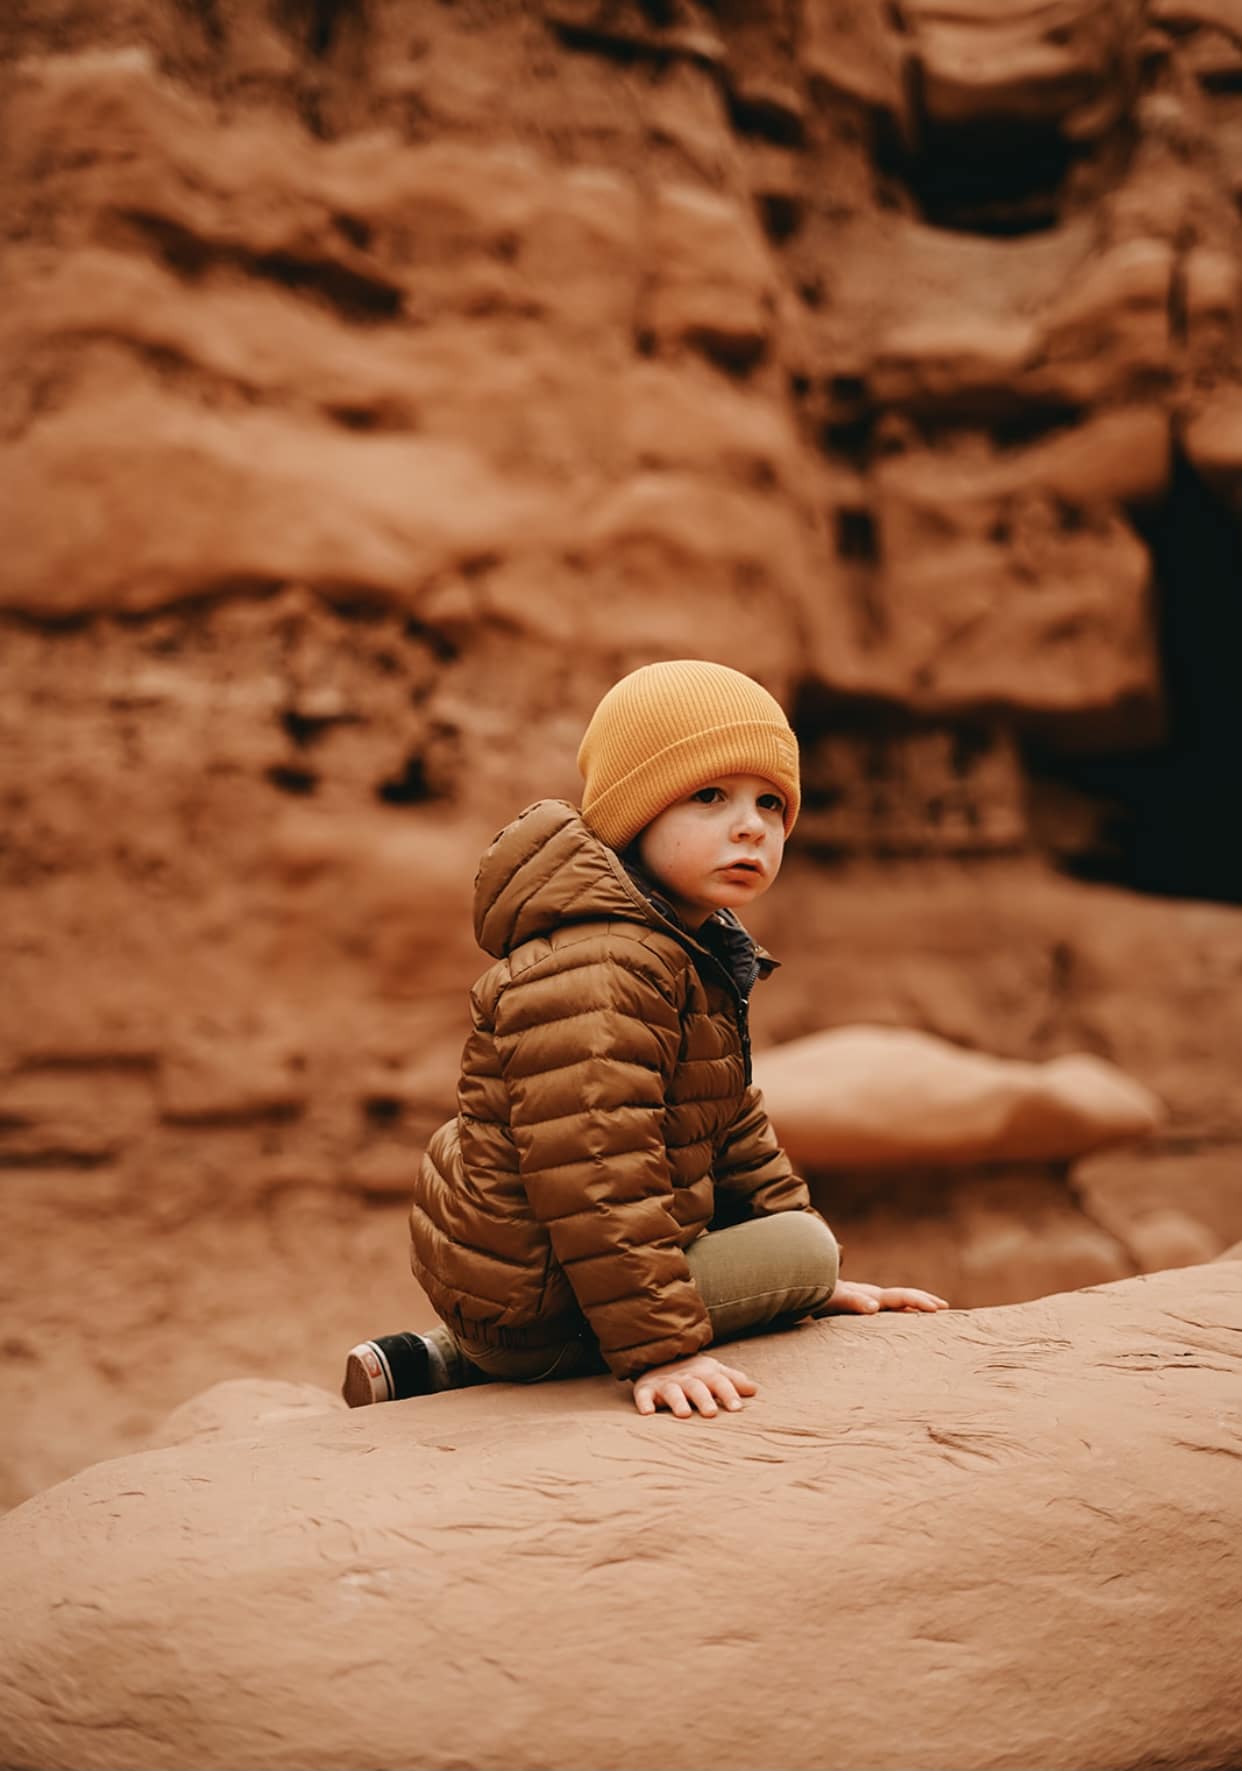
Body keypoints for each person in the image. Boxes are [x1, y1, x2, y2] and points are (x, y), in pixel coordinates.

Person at [343, 660, 946, 1420]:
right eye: (707, 796)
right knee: (800, 1250)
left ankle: (437, 1360)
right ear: (634, 815)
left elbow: (731, 1124)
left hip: (527, 1280)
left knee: (800, 1250)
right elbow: (598, 1169)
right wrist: (665, 1350)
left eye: (770, 802)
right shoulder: (606, 962)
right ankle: (514, 1357)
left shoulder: (682, 947)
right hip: (537, 1295)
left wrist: (807, 1287)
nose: (749, 825)